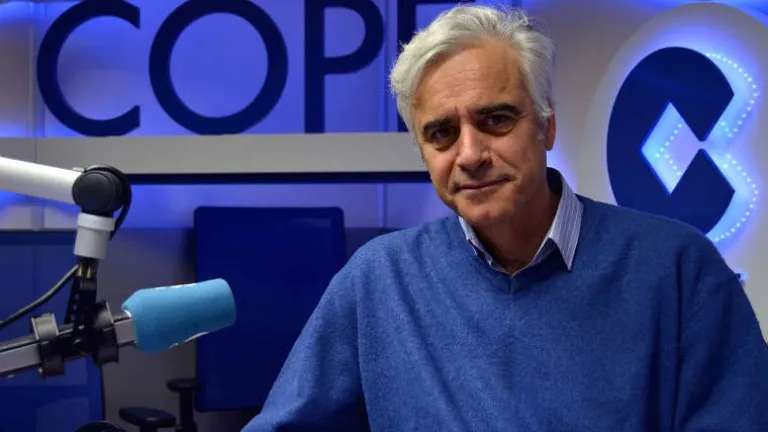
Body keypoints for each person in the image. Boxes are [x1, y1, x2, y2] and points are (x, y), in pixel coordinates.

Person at [243, 5, 768, 431]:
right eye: (441, 133)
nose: (470, 154)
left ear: (546, 126)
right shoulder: (380, 280)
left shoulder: (677, 271)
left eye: (495, 119)